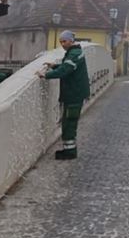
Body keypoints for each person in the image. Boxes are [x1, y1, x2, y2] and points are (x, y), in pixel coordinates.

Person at [36, 30, 90, 160]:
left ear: (71, 41)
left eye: (64, 41)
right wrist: (55, 66)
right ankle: (69, 149)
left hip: (74, 94)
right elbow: (68, 66)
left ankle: (70, 152)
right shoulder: (74, 52)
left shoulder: (74, 53)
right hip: (75, 93)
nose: (62, 44)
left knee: (69, 123)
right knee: (68, 122)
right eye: (61, 41)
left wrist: (46, 74)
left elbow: (66, 70)